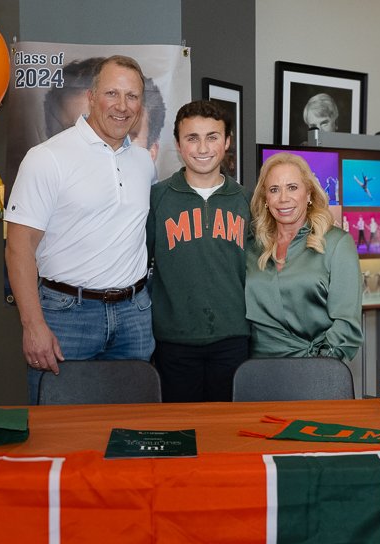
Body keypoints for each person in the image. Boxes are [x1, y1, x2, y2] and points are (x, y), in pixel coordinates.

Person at [5, 55, 157, 403]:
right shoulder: (47, 158)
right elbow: (18, 247)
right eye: (112, 94)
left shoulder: (142, 163)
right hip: (66, 317)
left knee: (130, 433)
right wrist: (33, 326)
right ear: (91, 96)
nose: (122, 106)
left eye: (132, 96)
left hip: (133, 316)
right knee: (60, 432)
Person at [147, 100, 251, 402]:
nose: (202, 147)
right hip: (174, 341)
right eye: (192, 138)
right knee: (181, 430)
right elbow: (139, 266)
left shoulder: (245, 200)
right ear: (178, 144)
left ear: (227, 141)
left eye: (212, 137)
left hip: (234, 337)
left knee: (228, 431)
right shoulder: (158, 198)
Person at [245, 152, 363, 361]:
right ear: (265, 199)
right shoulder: (251, 248)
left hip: (317, 369)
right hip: (256, 372)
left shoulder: (337, 243)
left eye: (292, 187)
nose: (283, 198)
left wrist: (320, 367)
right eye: (274, 189)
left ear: (308, 194)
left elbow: (347, 325)